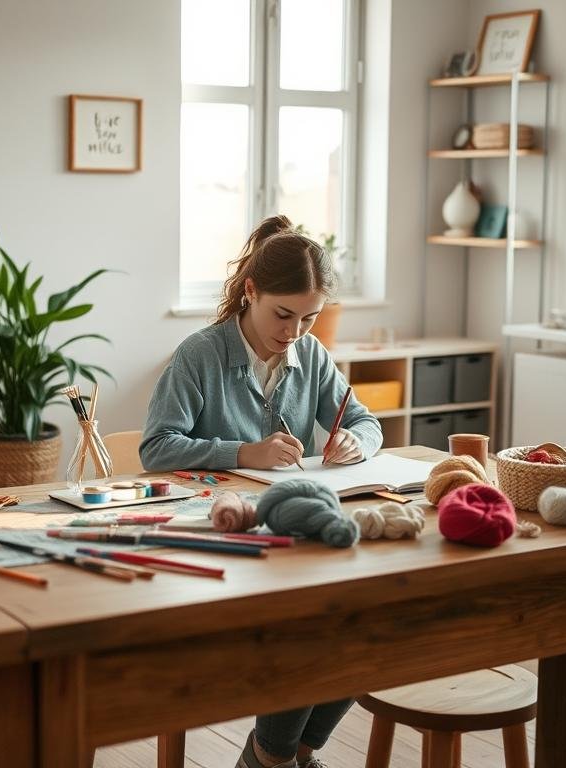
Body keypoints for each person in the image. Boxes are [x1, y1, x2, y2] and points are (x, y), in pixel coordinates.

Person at [141, 216, 381, 768]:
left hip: (293, 532)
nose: (295, 331)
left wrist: (356, 441)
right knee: (307, 621)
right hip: (223, 536)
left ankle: (288, 754)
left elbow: (366, 421)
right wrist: (243, 452)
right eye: (283, 314)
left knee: (367, 618)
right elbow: (156, 446)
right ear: (251, 291)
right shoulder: (199, 355)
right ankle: (274, 759)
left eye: (310, 317)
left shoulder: (312, 355)